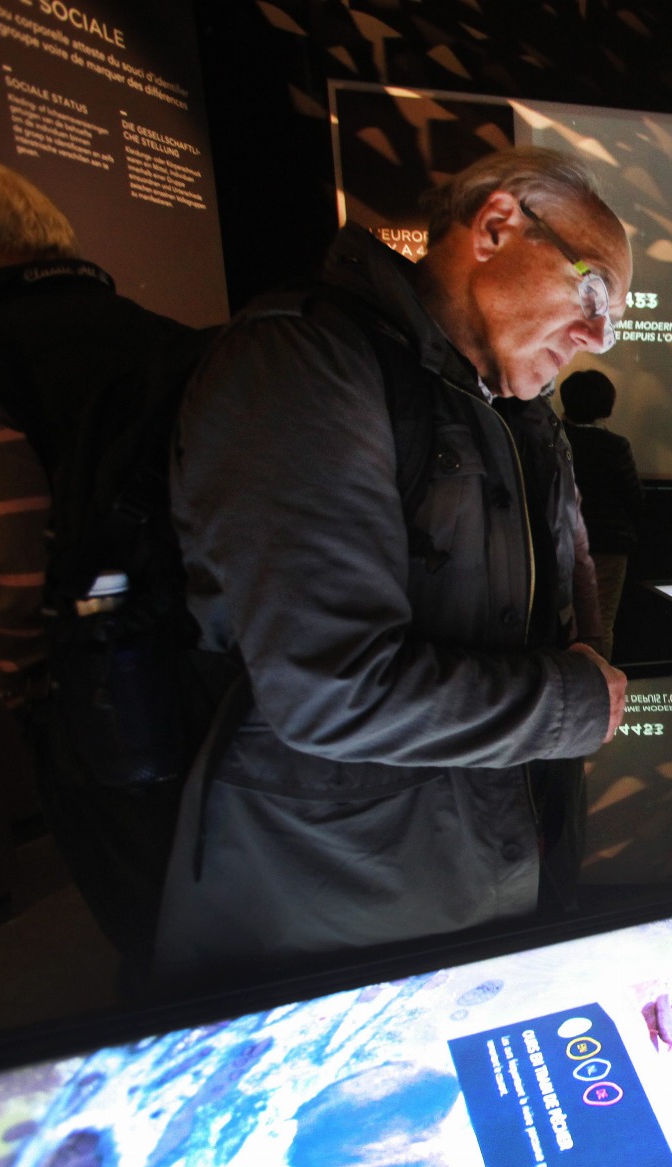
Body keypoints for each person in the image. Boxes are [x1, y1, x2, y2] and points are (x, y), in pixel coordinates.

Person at [156, 146, 630, 982]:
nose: (597, 337)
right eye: (593, 293)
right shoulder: (305, 362)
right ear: (495, 226)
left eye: (615, 320)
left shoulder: (513, 410)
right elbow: (331, 687)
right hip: (335, 914)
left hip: (476, 880)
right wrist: (573, 703)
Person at [0, 157, 211, 983]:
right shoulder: (174, 339)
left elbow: (3, 560)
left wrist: (19, 685)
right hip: (221, 686)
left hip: (101, 707)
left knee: (147, 926)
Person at [559, 369, 644, 658]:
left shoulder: (554, 439)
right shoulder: (616, 445)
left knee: (560, 621)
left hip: (562, 542)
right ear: (607, 405)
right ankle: (601, 689)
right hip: (609, 545)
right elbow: (633, 497)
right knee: (601, 623)